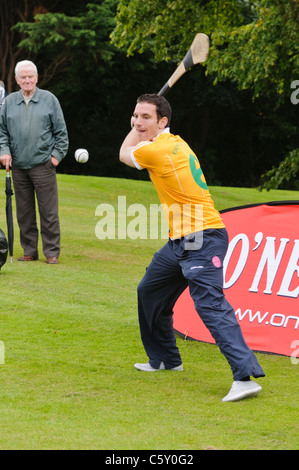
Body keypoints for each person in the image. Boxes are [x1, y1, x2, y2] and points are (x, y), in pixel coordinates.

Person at [119, 93, 265, 402]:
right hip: (181, 241)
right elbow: (139, 144)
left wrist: (136, 129)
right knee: (149, 290)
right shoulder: (176, 142)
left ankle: (245, 377)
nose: (138, 122)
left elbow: (124, 153)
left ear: (163, 122)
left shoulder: (157, 150)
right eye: (135, 116)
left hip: (203, 237)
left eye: (146, 117)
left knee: (209, 305)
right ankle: (166, 359)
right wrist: (143, 124)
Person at [0, 60, 68, 264]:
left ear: (37, 78)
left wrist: (55, 157)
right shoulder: (9, 102)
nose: (27, 80)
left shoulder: (49, 100)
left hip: (43, 165)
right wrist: (4, 151)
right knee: (24, 212)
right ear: (17, 80)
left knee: (48, 212)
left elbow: (61, 133)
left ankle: (52, 253)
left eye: (31, 76)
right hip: (18, 166)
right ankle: (29, 251)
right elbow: (2, 132)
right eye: (23, 77)